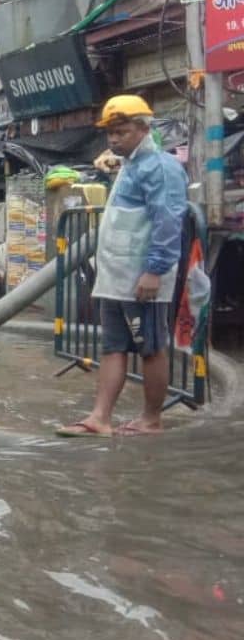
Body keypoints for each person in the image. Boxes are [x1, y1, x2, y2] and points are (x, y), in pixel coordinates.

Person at [57, 95, 188, 438]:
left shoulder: (161, 167)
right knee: (113, 347)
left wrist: (154, 271)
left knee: (150, 348)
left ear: (144, 128)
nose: (114, 139)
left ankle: (151, 419)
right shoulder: (130, 165)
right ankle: (100, 418)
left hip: (141, 278)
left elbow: (168, 221)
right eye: (110, 133)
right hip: (116, 278)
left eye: (122, 131)